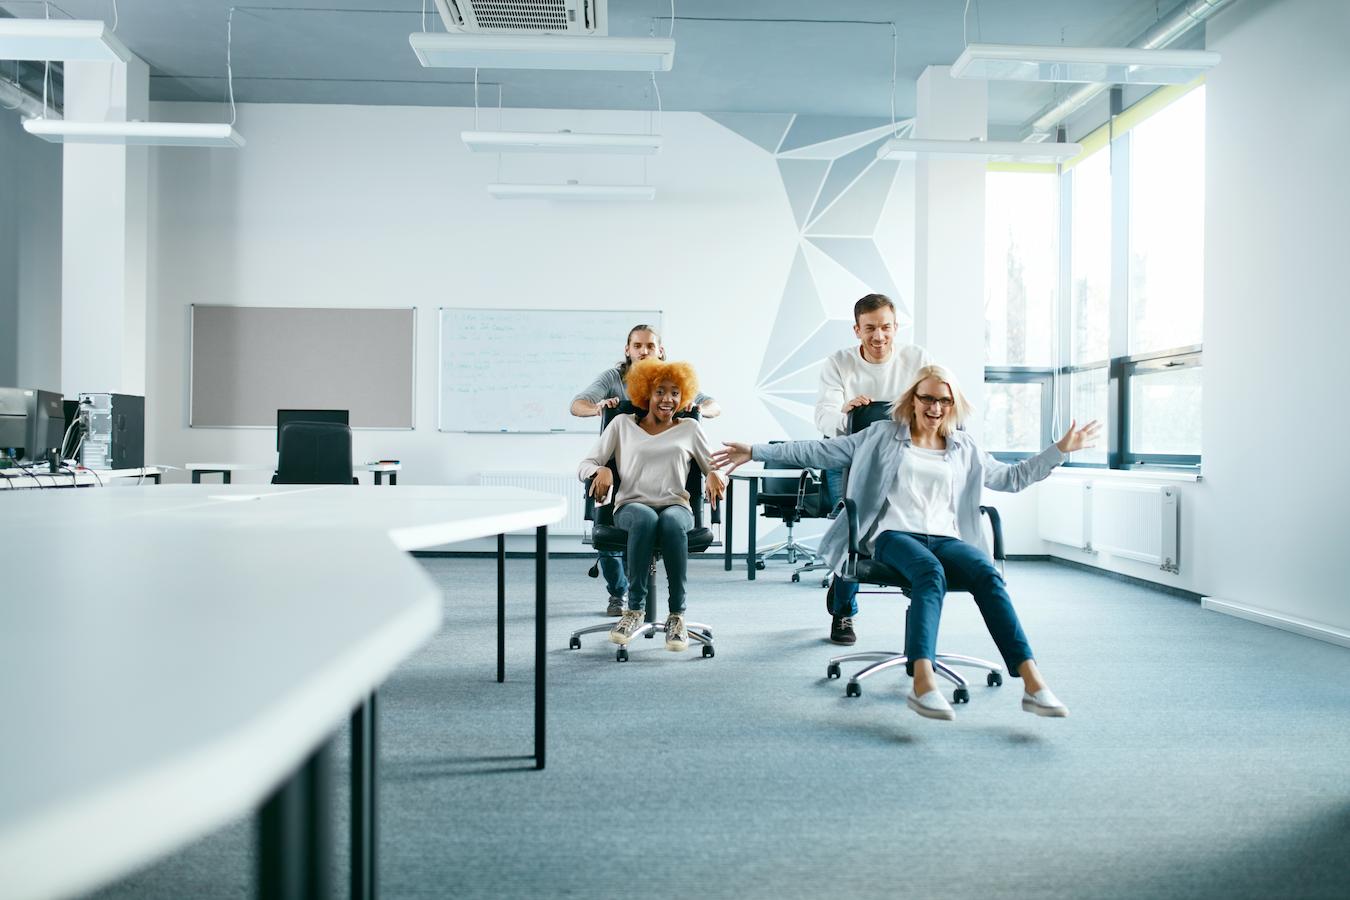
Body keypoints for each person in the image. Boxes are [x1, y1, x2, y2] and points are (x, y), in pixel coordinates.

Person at [714, 364, 1099, 721]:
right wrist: (757, 450)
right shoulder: (881, 435)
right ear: (912, 400)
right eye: (927, 398)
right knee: (929, 574)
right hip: (891, 535)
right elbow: (819, 451)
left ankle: (1033, 682)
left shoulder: (964, 447)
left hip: (946, 537)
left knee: (986, 573)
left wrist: (1060, 451)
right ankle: (923, 683)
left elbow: (1012, 478)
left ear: (953, 405)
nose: (935, 407)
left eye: (944, 400)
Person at [572, 324, 721, 617]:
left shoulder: (684, 417)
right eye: (637, 346)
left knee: (667, 521)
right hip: (629, 488)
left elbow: (714, 410)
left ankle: (676, 614)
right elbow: (577, 406)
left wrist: (697, 409)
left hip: (673, 500)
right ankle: (627, 602)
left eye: (674, 394)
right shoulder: (620, 412)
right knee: (640, 518)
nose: (666, 398)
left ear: (660, 350)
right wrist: (602, 410)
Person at [815, 294, 932, 646]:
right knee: (856, 528)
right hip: (851, 459)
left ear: (896, 327)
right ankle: (844, 611)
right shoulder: (839, 364)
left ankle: (915, 602)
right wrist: (846, 414)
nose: (879, 336)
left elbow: (938, 402)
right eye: (870, 329)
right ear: (857, 330)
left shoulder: (917, 359)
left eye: (885, 327)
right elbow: (824, 418)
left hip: (904, 461)